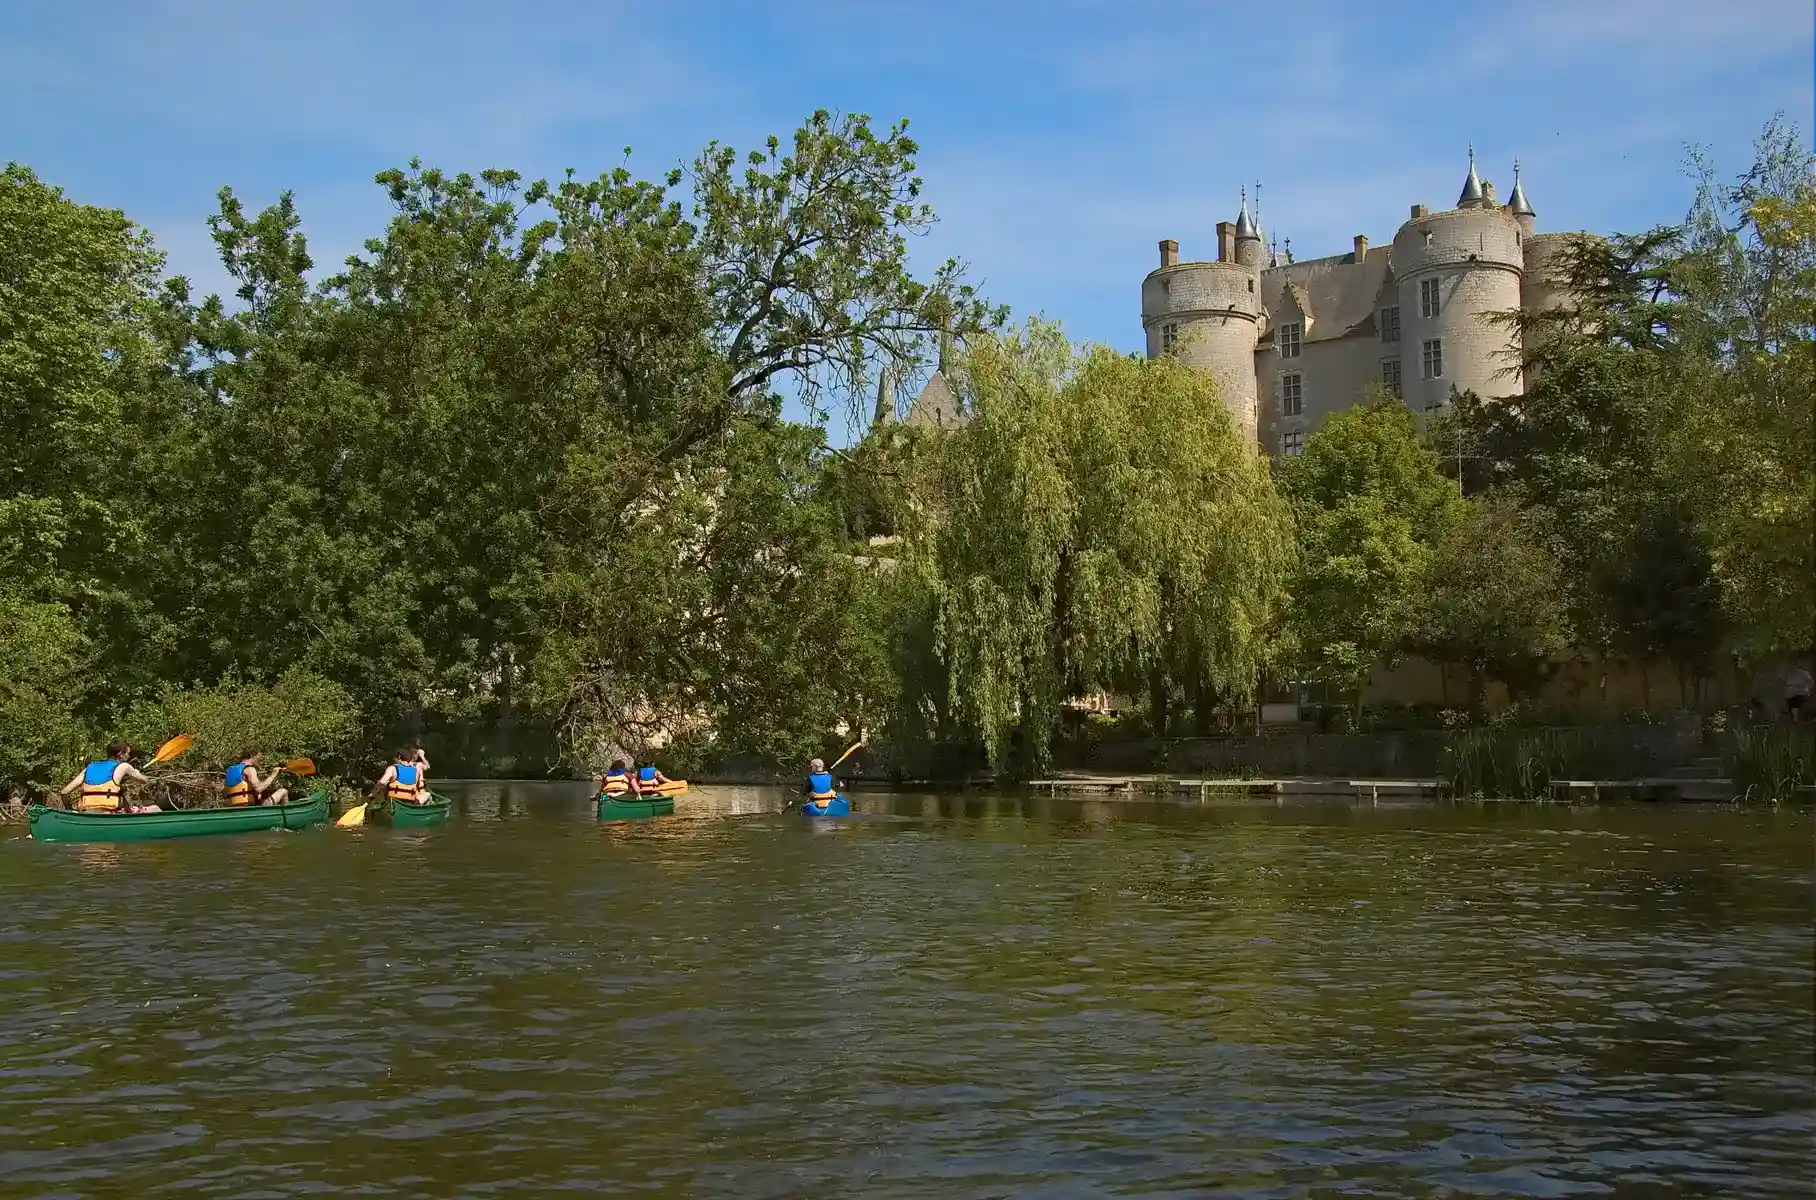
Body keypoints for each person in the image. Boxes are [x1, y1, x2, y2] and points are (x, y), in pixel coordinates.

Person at [59, 742, 158, 814]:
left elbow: (64, 792)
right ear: (120, 754)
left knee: (128, 802)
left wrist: (70, 810)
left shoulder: (90, 767)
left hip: (86, 813)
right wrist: (137, 772)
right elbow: (145, 780)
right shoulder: (124, 766)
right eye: (127, 753)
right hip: (106, 814)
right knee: (154, 807)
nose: (128, 756)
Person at [224, 750, 288, 807]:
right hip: (249, 807)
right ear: (253, 755)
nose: (259, 760)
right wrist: (273, 774)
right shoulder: (250, 769)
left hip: (232, 806)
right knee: (283, 791)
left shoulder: (230, 769)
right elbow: (258, 789)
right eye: (258, 756)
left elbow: (226, 792)